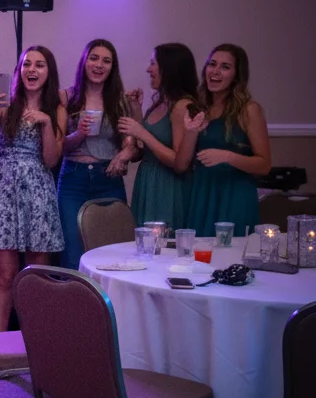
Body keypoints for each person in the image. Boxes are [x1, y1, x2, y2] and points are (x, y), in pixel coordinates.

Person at [0, 46, 66, 334]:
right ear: (19, 71)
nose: (32, 70)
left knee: (36, 276)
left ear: (48, 72)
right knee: (5, 275)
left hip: (38, 192)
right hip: (3, 191)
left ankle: (38, 344)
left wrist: (47, 123)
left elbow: (52, 160)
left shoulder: (56, 110)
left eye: (39, 65)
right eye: (26, 64)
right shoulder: (5, 103)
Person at [56, 39, 139, 269]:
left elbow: (131, 143)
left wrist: (124, 153)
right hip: (74, 179)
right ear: (84, 61)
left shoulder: (119, 100)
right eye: (94, 58)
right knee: (74, 254)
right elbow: (58, 146)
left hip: (108, 180)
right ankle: (73, 305)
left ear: (112, 67)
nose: (99, 65)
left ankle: (108, 305)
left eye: (106, 61)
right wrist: (79, 134)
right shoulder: (66, 96)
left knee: (114, 252)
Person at [176, 43, 271, 236]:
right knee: (199, 260)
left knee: (231, 258)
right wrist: (191, 132)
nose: (215, 71)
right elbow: (181, 165)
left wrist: (228, 156)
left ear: (236, 75)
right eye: (212, 64)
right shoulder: (198, 107)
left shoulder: (249, 110)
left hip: (234, 195)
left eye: (225, 67)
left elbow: (264, 165)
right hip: (202, 194)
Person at [118, 42, 198, 231]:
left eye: (153, 63)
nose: (148, 69)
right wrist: (136, 110)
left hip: (167, 188)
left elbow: (179, 161)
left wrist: (141, 132)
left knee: (162, 249)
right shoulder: (160, 102)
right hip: (148, 182)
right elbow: (146, 146)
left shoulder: (182, 106)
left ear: (169, 68)